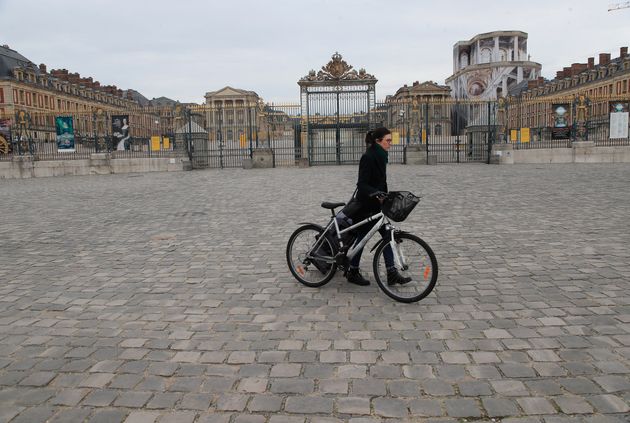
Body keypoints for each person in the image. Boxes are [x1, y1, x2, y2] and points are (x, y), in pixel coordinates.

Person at [345, 127, 412, 286]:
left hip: (377, 205)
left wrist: (386, 196)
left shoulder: (381, 156)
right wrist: (376, 193)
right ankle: (353, 271)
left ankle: (391, 273)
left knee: (388, 236)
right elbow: (362, 184)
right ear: (377, 141)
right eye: (387, 140)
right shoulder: (368, 157)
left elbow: (381, 181)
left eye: (390, 140)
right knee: (362, 238)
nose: (390, 143)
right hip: (364, 206)